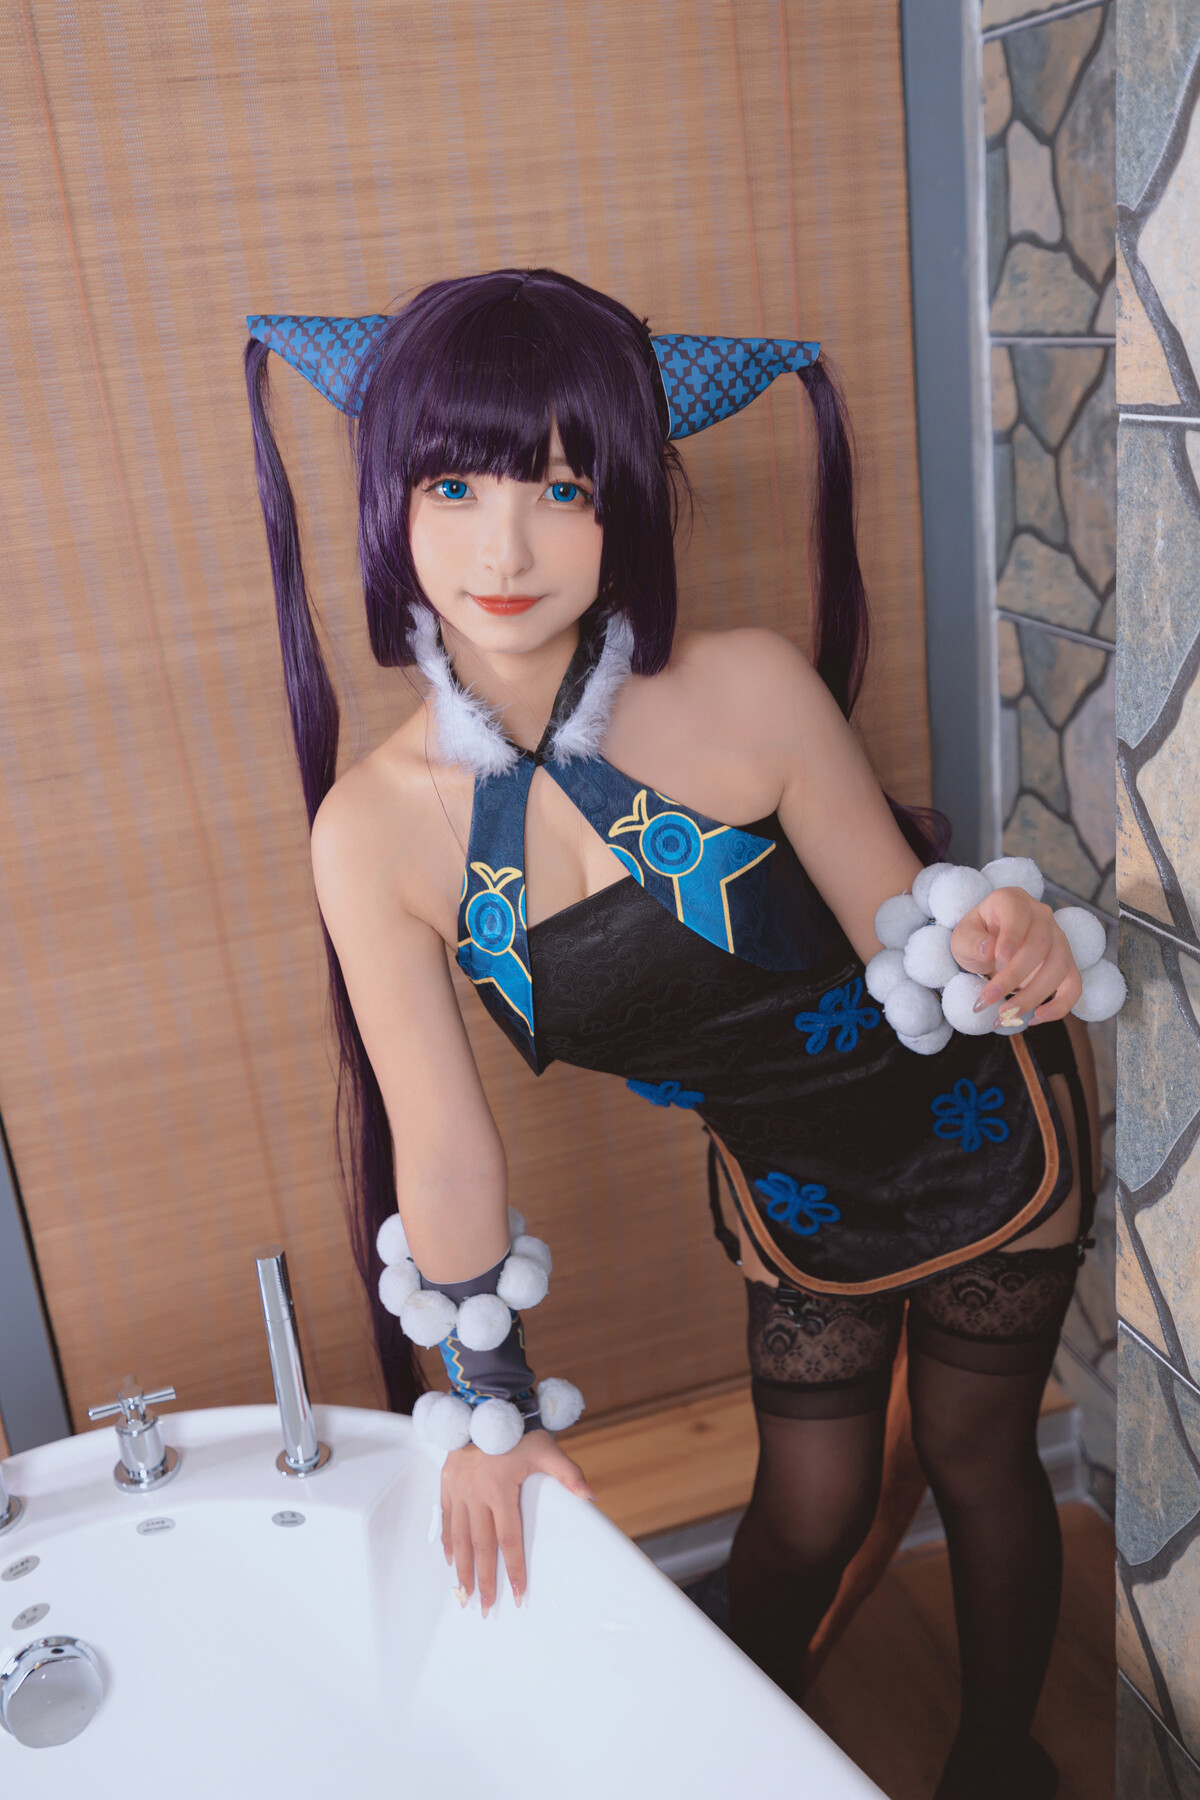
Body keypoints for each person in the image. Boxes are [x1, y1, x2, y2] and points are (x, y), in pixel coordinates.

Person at [245, 269, 1099, 1800]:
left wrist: (1002, 943)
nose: (504, 549)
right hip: (794, 1182)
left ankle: (996, 1763)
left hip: (980, 1126)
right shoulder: (372, 833)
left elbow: (911, 940)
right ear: (390, 498)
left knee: (982, 1460)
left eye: (563, 489)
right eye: (454, 486)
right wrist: (492, 1412)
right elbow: (444, 1153)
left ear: (627, 501)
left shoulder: (750, 684)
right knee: (809, 1511)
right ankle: (709, 1764)